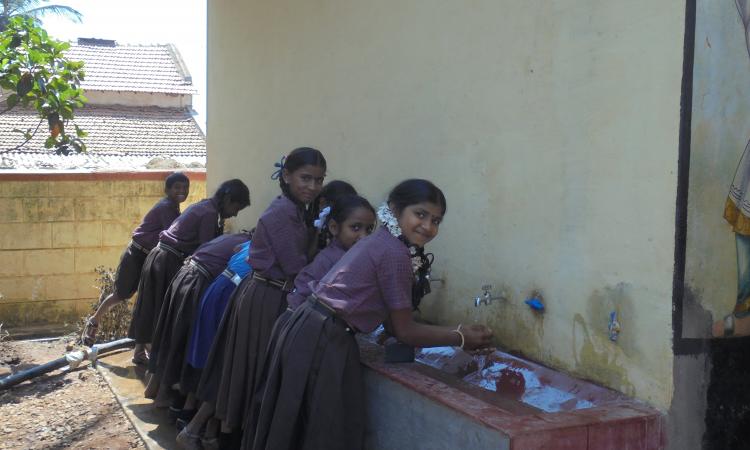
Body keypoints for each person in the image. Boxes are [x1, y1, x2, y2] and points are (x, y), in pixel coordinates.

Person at [248, 179, 494, 450]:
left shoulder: (382, 241)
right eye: (420, 214)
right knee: (322, 429)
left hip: (307, 326)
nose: (428, 226)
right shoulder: (395, 253)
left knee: (299, 426)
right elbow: (405, 331)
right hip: (322, 337)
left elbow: (391, 318)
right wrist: (460, 337)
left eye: (436, 220)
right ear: (395, 210)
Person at [179, 148, 326, 449]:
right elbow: (295, 266)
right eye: (305, 178)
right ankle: (195, 431)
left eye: (319, 180)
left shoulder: (293, 209)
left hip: (265, 292)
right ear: (286, 176)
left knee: (240, 370)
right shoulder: (283, 213)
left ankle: (203, 433)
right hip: (265, 296)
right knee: (246, 372)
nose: (312, 186)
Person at [128, 179, 250, 362]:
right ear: (228, 200)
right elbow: (205, 250)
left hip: (158, 255)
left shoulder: (206, 206)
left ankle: (141, 354)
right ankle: (158, 360)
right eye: (236, 208)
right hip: (167, 259)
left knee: (152, 306)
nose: (234, 214)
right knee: (162, 310)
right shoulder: (209, 214)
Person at [81, 172, 190, 356]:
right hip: (136, 254)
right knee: (121, 294)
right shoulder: (166, 207)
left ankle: (139, 351)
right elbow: (172, 236)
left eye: (185, 187)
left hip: (149, 257)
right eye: (177, 187)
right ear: (167, 190)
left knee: (145, 301)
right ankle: (94, 321)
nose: (182, 191)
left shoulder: (173, 207)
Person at [146, 232, 252, 405]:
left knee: (171, 334)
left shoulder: (231, 237)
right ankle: (164, 396)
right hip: (198, 279)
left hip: (184, 273)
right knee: (183, 339)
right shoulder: (248, 245)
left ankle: (153, 386)